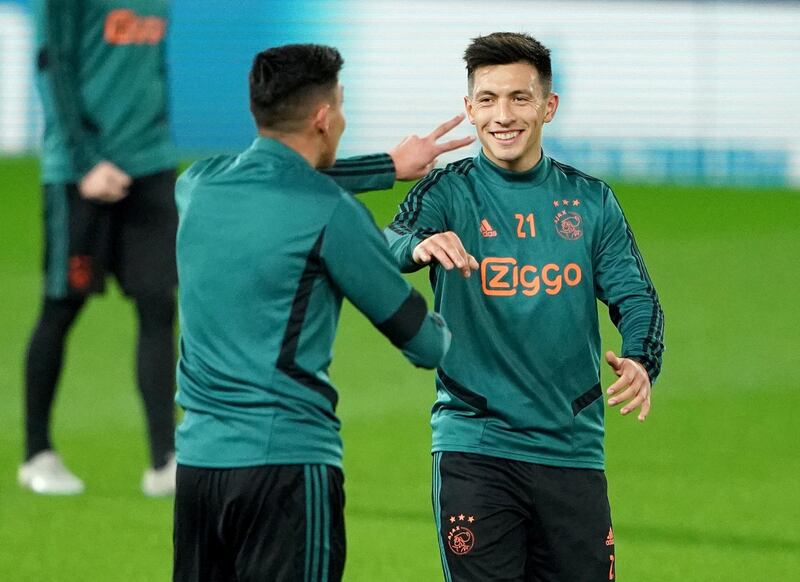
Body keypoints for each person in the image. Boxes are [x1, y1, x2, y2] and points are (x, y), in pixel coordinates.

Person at [172, 43, 473, 582]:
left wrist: (386, 167)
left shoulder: (197, 186)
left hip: (198, 468)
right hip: (287, 467)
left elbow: (270, 179)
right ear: (322, 117)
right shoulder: (333, 214)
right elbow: (425, 345)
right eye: (341, 104)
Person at [385, 32, 665, 581]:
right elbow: (385, 245)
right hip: (475, 444)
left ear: (548, 107)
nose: (502, 115)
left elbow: (636, 294)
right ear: (469, 109)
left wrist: (640, 358)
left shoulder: (590, 200)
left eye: (519, 98)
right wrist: (417, 246)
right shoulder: (447, 192)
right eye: (487, 100)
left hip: (571, 447)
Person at [18, 0, 180, 496]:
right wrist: (86, 161)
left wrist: (157, 139)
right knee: (62, 306)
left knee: (159, 305)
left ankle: (164, 462)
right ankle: (37, 454)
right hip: (79, 174)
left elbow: (153, 67)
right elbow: (54, 66)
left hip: (149, 166)